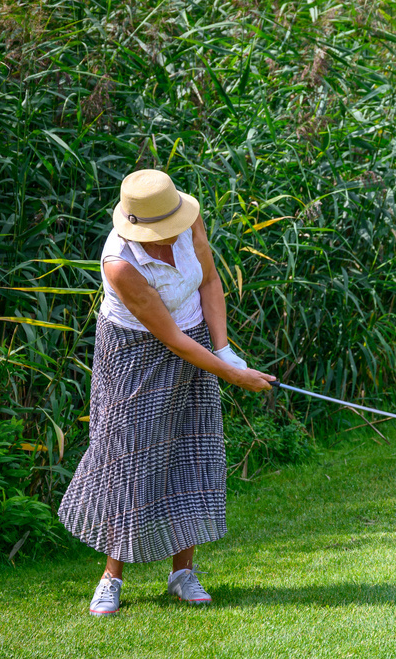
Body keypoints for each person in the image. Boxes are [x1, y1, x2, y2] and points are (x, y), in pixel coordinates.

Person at [57, 169, 275, 617]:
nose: (168, 236)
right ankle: (111, 578)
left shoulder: (186, 218)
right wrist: (235, 376)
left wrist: (225, 350)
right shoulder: (120, 263)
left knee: (190, 451)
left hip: (196, 339)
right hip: (134, 353)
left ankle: (183, 573)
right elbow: (169, 338)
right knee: (126, 460)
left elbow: (210, 281)